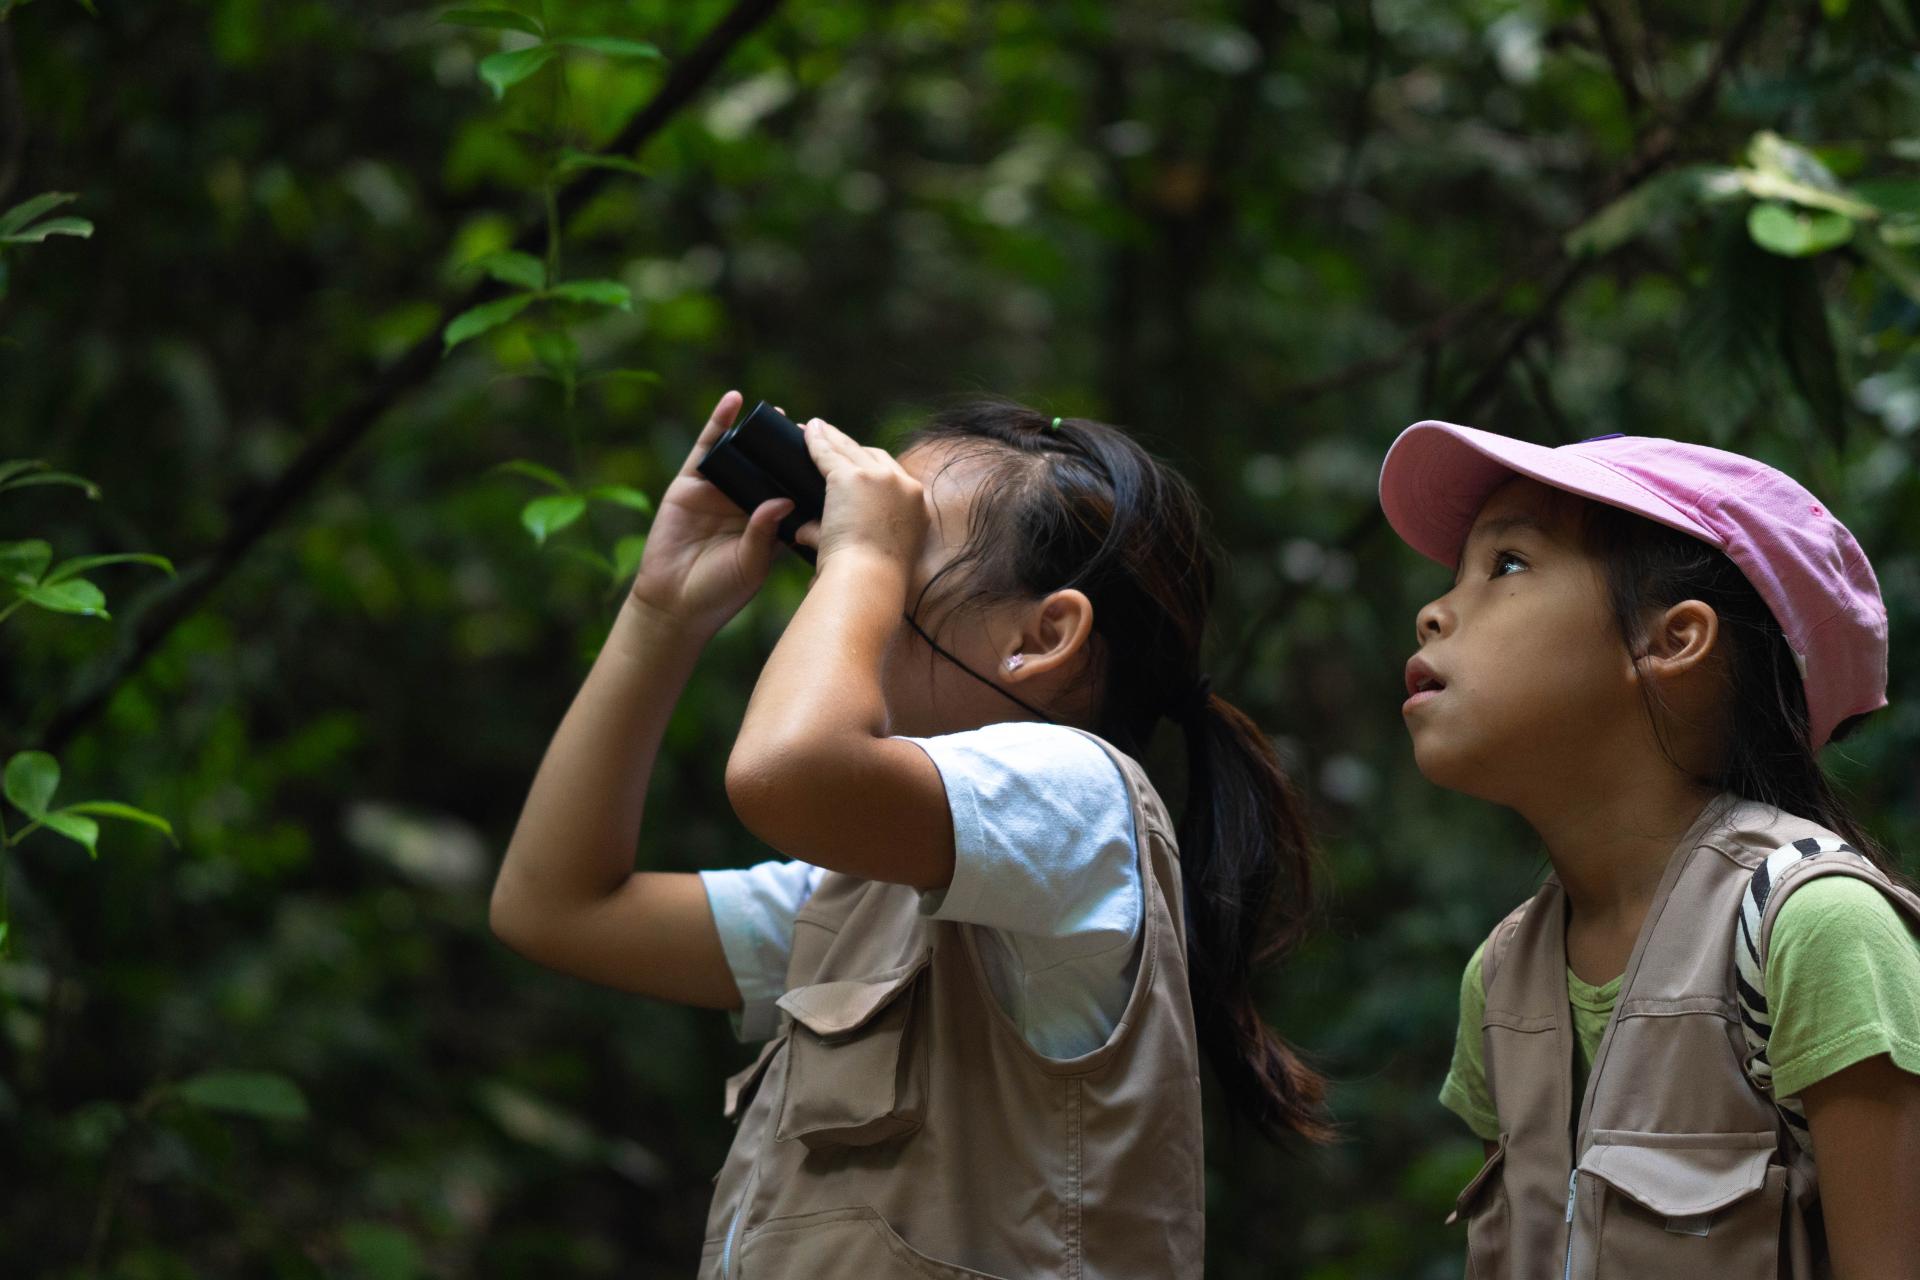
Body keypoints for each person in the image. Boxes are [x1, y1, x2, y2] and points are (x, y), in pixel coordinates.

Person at [490, 391, 1327, 1278]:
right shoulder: (859, 903)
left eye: (904, 539)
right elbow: (557, 906)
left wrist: (858, 551)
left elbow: (789, 773)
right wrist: (662, 613)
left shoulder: (1083, 801)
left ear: (1042, 638)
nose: (851, 568)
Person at [1378, 422, 1920, 1279]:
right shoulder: (1502, 975)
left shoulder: (1816, 926)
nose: (1433, 610)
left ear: (1670, 641)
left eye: (1507, 564)